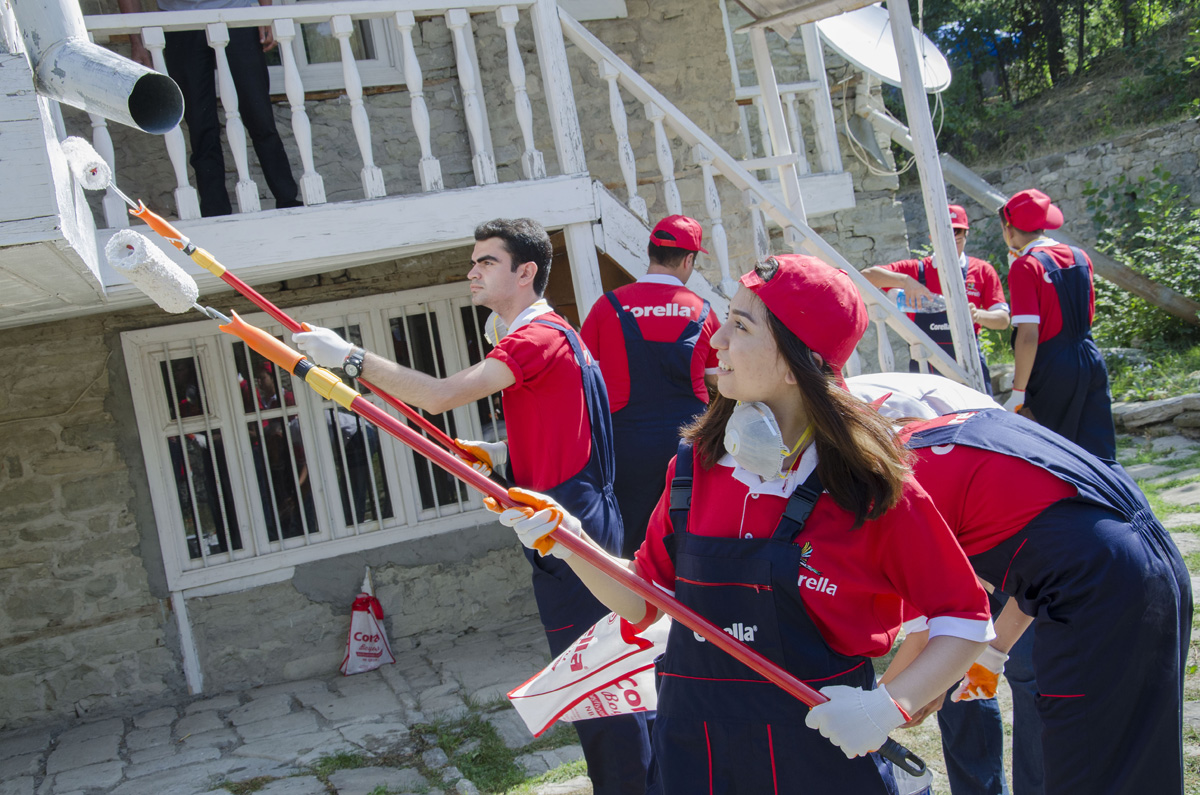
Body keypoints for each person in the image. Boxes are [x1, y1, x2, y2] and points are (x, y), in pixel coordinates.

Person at [489, 254, 993, 794]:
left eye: (741, 325)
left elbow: (964, 618)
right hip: (697, 757)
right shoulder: (692, 468)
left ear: (796, 358)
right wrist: (570, 542)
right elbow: (646, 598)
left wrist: (890, 706)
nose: (716, 340)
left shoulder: (864, 485)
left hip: (820, 759)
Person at [291, 218, 652, 795]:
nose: (472, 271)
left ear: (525, 272)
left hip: (566, 524)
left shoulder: (534, 338)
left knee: (596, 681)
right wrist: (503, 452)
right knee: (600, 671)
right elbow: (576, 429)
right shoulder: (560, 334)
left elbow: (437, 396)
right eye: (474, 261)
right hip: (577, 514)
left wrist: (350, 358)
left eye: (487, 262)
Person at [886, 407, 1190, 795]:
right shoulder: (943, 431)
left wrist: (879, 708)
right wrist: (993, 654)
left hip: (1095, 591)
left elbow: (926, 631)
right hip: (1146, 560)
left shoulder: (898, 484)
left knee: (1086, 765)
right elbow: (1044, 547)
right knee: (1141, 757)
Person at [850, 372, 1041, 795]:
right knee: (957, 676)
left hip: (1002, 497)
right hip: (957, 480)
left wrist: (876, 710)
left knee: (1025, 667)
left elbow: (934, 630)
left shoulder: (895, 483)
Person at [579, 215, 721, 556]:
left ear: (650, 252)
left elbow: (582, 382)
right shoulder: (703, 311)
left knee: (633, 545)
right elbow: (720, 380)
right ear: (689, 259)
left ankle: (635, 605)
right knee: (694, 536)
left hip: (627, 447)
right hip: (691, 443)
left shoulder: (607, 307)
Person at [120, 0, 302, 217]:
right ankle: (216, 212)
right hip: (177, 21)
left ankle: (287, 199)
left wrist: (266, 11)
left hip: (235, 14)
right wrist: (137, 43)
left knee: (259, 115)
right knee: (199, 123)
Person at [1000, 189, 1116, 459]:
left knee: (1058, 456)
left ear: (1009, 228)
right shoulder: (1079, 256)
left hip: (1053, 368)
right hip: (1089, 356)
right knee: (1100, 452)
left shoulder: (1025, 266)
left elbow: (1028, 335)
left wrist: (1018, 392)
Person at [862, 205, 1010, 393]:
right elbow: (865, 276)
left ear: (966, 236)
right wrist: (904, 280)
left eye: (957, 239)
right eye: (944, 238)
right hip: (926, 366)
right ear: (932, 238)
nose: (950, 245)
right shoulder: (916, 270)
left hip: (969, 364)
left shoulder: (981, 270)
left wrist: (977, 315)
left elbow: (1003, 321)